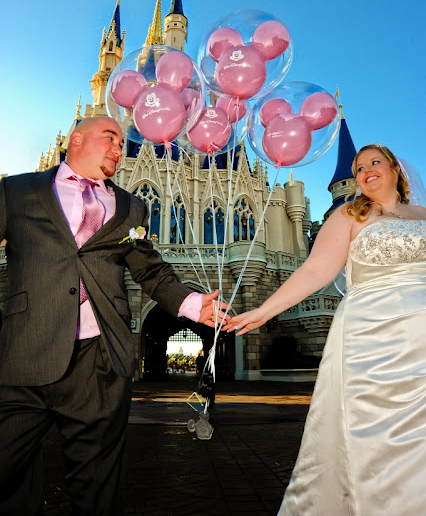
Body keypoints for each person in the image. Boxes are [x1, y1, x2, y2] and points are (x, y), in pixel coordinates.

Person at [0, 116, 231, 516]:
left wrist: (194, 304)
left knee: (97, 485)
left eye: (122, 144)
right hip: (25, 353)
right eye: (110, 138)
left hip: (100, 360)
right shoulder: (18, 190)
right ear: (76, 140)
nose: (118, 149)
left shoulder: (130, 206)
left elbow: (152, 272)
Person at [230, 144, 426, 516]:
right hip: (373, 337)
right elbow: (316, 271)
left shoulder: (423, 215)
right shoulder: (349, 214)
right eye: (358, 167)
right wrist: (264, 310)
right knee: (377, 436)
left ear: (395, 168)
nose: (365, 170)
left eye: (374, 162)